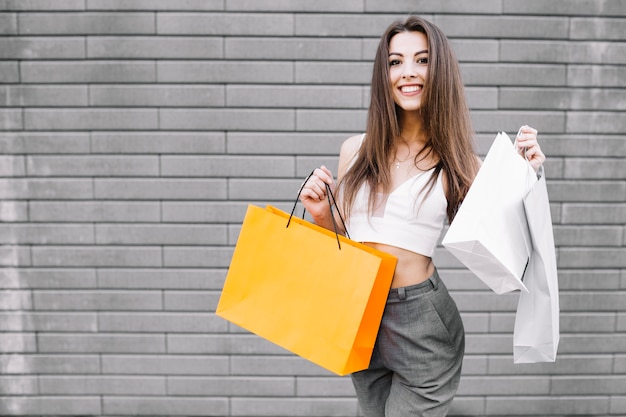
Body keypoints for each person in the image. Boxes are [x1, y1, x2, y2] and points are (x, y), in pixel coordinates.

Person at [299, 16, 545, 417]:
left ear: (439, 70)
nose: (408, 72)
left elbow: (506, 246)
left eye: (422, 60)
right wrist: (322, 214)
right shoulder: (355, 151)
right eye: (396, 62)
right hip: (360, 312)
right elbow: (340, 245)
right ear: (384, 74)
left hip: (421, 322)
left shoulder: (458, 161)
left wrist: (522, 175)